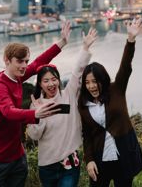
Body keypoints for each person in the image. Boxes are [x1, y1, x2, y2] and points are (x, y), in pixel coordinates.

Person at [0, 21, 71, 187]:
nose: (24, 66)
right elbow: (8, 112)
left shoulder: (17, 77)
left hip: (16, 155)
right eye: (19, 61)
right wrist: (34, 114)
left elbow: (38, 63)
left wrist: (62, 43)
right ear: (7, 60)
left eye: (25, 61)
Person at [78, 18, 142, 187]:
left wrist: (130, 40)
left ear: (102, 79)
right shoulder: (83, 103)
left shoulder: (116, 89)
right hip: (100, 159)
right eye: (87, 82)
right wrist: (89, 160)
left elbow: (125, 66)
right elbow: (87, 135)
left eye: (95, 81)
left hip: (124, 156)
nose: (91, 86)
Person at [27, 27, 97, 187]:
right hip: (46, 166)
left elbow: (78, 72)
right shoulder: (36, 105)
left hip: (69, 162)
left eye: (54, 79)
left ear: (58, 80)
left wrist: (85, 48)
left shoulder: (69, 95)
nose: (51, 84)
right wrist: (38, 115)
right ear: (40, 84)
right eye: (46, 81)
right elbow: (34, 135)